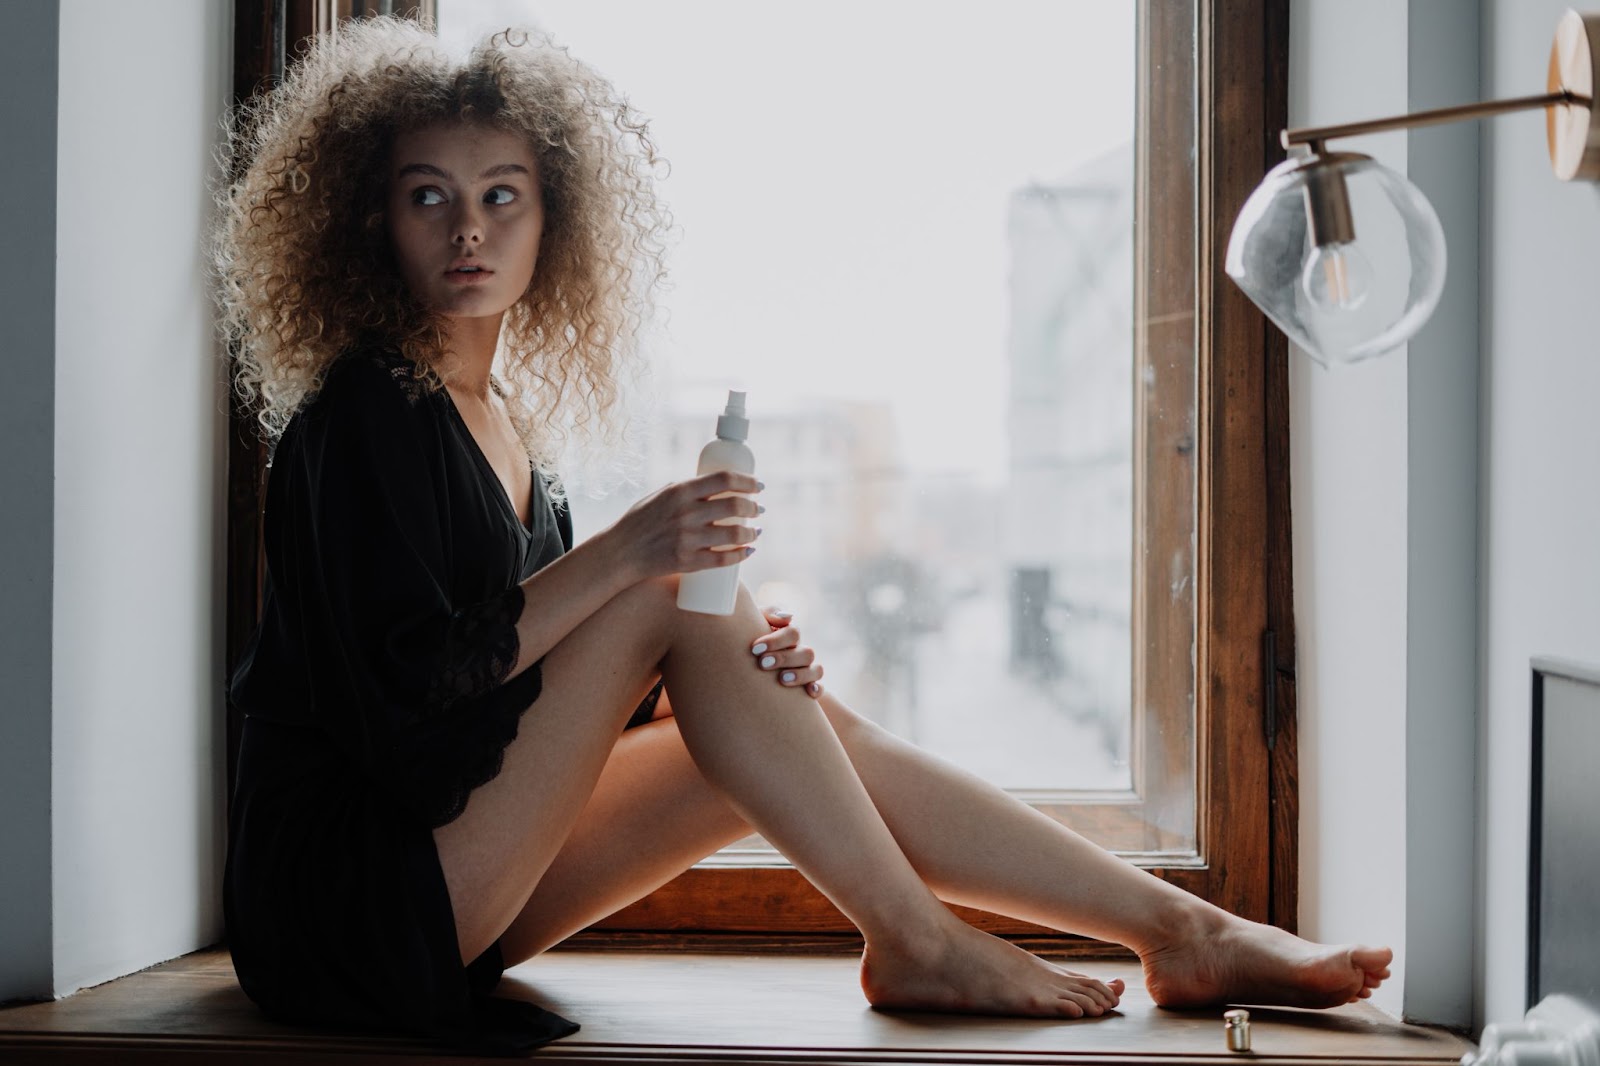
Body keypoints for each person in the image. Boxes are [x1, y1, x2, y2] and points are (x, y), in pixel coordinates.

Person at [214, 16, 1392, 1053]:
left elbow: (516, 703)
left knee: (781, 695)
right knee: (673, 579)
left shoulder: (503, 423)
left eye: (500, 195)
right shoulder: (367, 410)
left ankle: (1177, 928)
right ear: (372, 219)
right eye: (429, 195)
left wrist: (717, 691)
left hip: (458, 881)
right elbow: (411, 693)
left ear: (549, 222)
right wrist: (632, 560)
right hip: (349, 903)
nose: (466, 229)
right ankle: (923, 936)